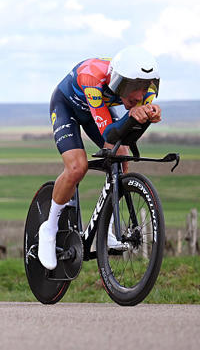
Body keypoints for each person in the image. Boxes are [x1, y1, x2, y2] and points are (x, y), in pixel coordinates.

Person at [38, 46, 162, 270]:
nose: (138, 95)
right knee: (77, 167)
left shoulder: (146, 90)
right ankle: (49, 227)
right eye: (132, 87)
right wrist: (133, 116)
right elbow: (108, 133)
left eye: (142, 87)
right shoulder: (91, 76)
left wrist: (148, 114)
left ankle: (108, 230)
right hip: (67, 106)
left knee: (121, 156)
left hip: (97, 108)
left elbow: (124, 133)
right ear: (117, 82)